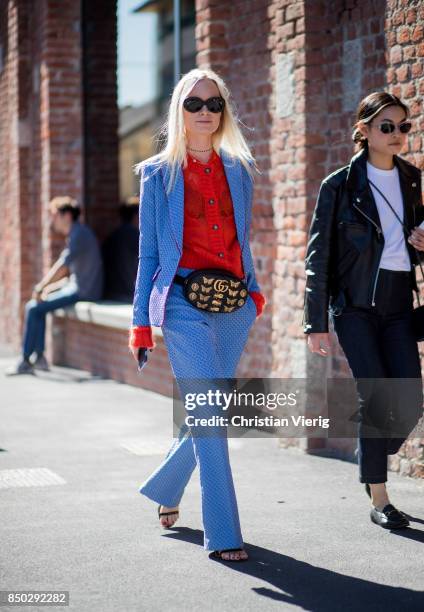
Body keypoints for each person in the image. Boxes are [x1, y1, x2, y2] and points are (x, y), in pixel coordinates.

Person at [128, 68, 266, 561]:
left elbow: (241, 240)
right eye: (194, 104)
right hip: (183, 305)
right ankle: (224, 532)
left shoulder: (239, 169)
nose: (204, 111)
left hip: (234, 307)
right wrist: (141, 320)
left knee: (209, 411)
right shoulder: (156, 174)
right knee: (210, 418)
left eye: (214, 104)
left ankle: (167, 486)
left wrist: (255, 294)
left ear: (223, 112)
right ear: (179, 111)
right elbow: (147, 255)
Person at [303, 91, 424, 529]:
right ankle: (380, 497)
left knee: (409, 401)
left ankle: (369, 450)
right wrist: (315, 322)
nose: (396, 134)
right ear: (365, 131)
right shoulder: (338, 186)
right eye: (386, 126)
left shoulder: (412, 178)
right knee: (374, 396)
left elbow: (411, 239)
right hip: (354, 306)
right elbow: (318, 257)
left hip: (397, 302)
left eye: (403, 126)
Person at [7, 196, 103, 375]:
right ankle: (39, 358)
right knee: (38, 306)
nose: (52, 221)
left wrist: (41, 286)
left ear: (66, 215)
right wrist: (50, 288)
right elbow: (71, 275)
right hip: (78, 287)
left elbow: (63, 265)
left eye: (54, 215)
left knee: (34, 307)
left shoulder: (79, 234)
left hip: (85, 291)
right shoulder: (77, 233)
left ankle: (27, 360)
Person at [102, 197, 139, 302]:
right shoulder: (134, 236)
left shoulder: (112, 236)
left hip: (110, 293)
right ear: (136, 216)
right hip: (126, 294)